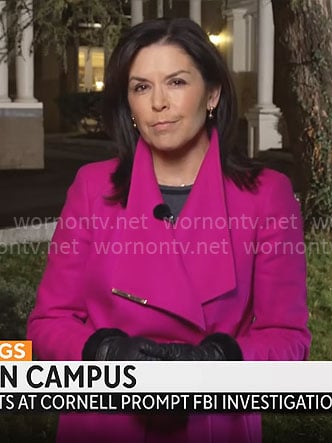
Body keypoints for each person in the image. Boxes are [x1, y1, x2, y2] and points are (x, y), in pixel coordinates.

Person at [27, 17, 311, 443]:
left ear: (212, 93)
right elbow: (48, 322)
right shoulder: (92, 187)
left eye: (176, 82)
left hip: (214, 423)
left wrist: (220, 362)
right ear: (129, 104)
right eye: (141, 87)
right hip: (105, 421)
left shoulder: (267, 195)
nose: (158, 102)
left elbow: (288, 338)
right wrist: (104, 353)